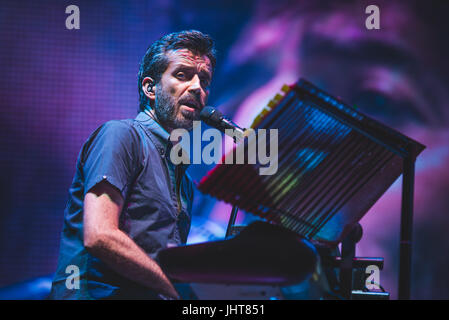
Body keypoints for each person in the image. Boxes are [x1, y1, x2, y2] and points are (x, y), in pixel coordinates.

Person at [49, 30, 216, 299]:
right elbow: (100, 235)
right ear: (150, 88)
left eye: (204, 80)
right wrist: (172, 288)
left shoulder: (183, 178)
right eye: (183, 75)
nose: (198, 88)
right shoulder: (121, 135)